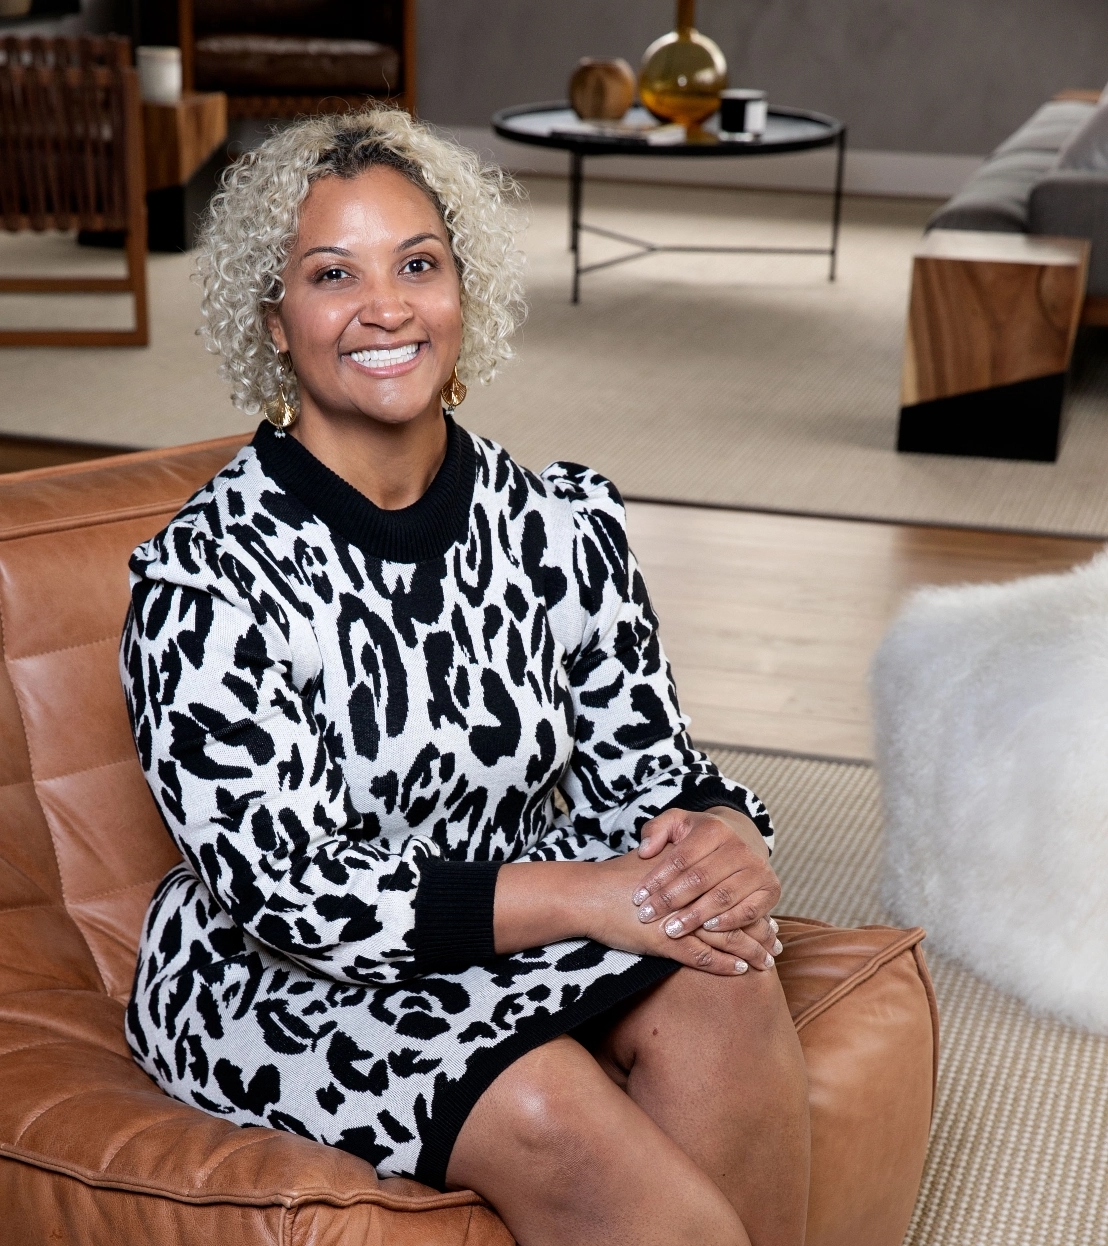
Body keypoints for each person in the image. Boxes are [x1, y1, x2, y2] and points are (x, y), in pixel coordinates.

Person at [119, 108, 810, 1246]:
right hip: (290, 981)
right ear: (273, 320)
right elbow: (294, 899)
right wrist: (600, 898)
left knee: (727, 980)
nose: (385, 306)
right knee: (543, 1101)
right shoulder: (204, 584)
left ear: (463, 291)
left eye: (419, 264)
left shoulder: (557, 524)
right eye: (331, 273)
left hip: (523, 918)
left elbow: (650, 770)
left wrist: (722, 838)